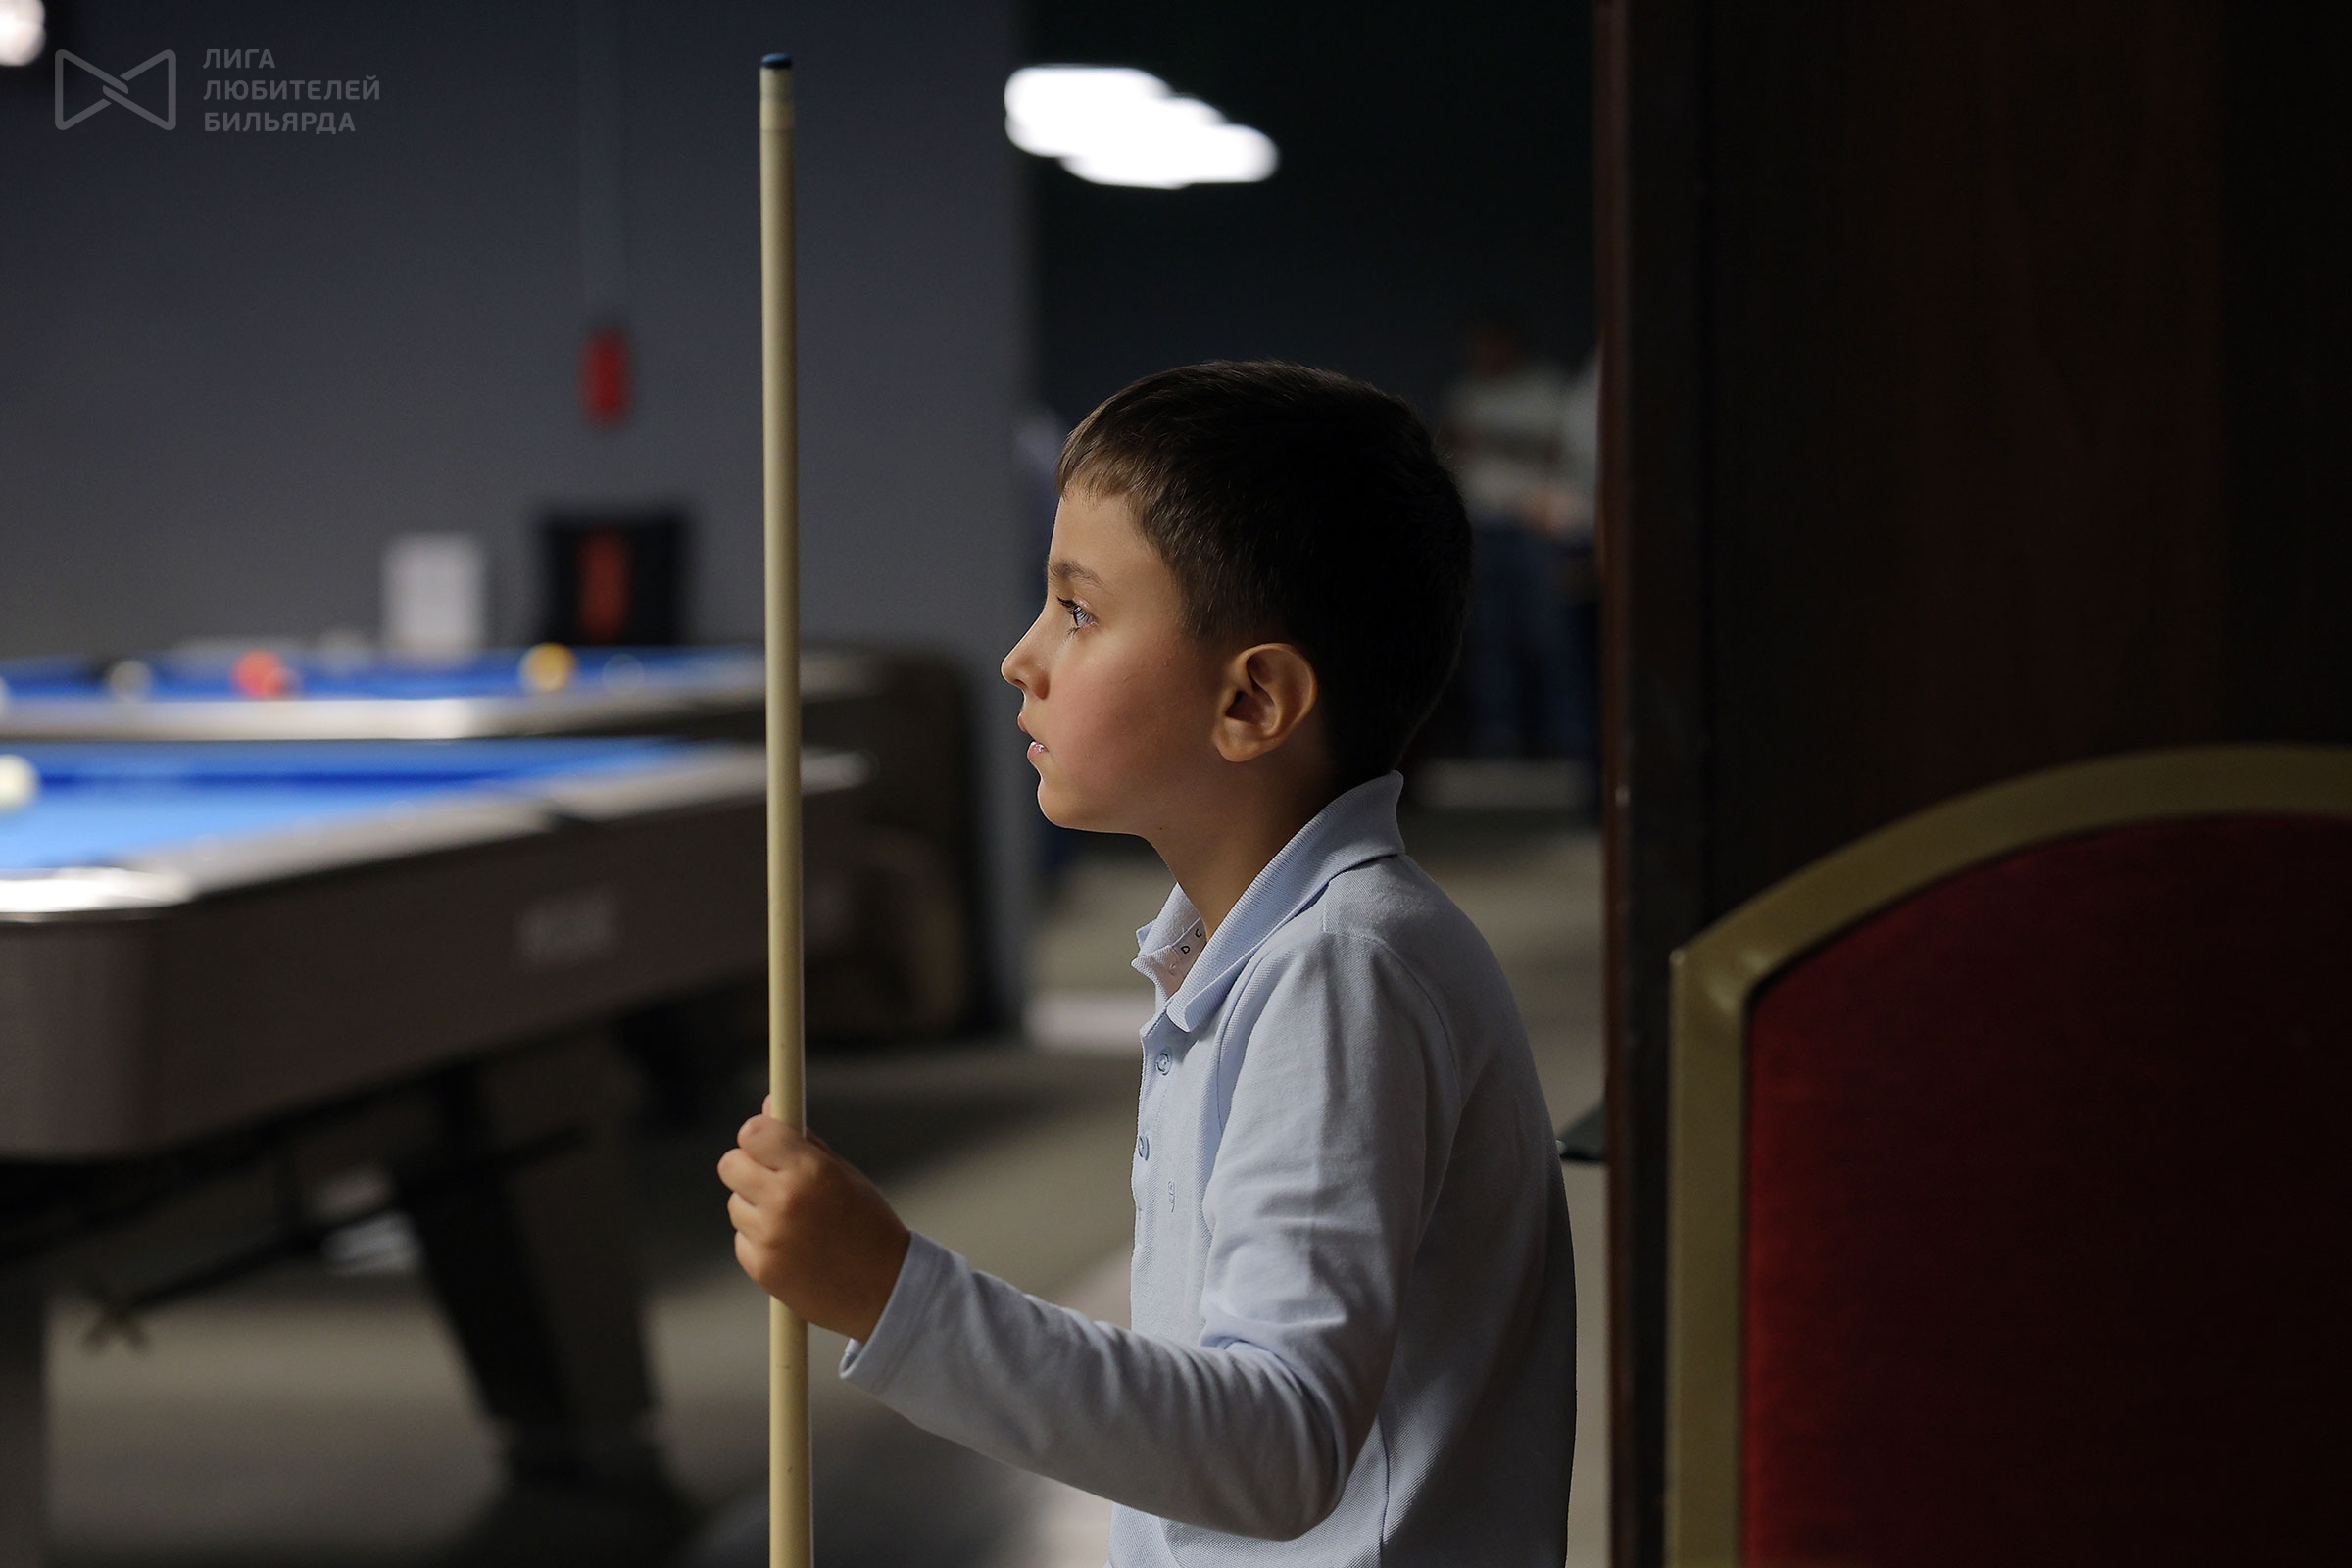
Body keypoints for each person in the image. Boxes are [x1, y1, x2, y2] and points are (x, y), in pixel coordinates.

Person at [719, 362, 1577, 1565]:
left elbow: (1277, 1444)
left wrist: (893, 1292)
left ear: (1253, 701)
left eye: (1077, 611)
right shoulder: (1261, 948)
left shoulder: (1340, 973)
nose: (1021, 657)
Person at [1441, 315, 1598, 762]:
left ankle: (1567, 734)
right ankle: (1499, 734)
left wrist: (1493, 439)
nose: (1486, 355)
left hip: (1536, 527)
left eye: (1494, 345)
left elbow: (1559, 450)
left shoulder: (1544, 389)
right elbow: (1452, 448)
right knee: (1489, 638)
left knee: (1549, 636)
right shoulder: (1467, 392)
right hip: (1481, 528)